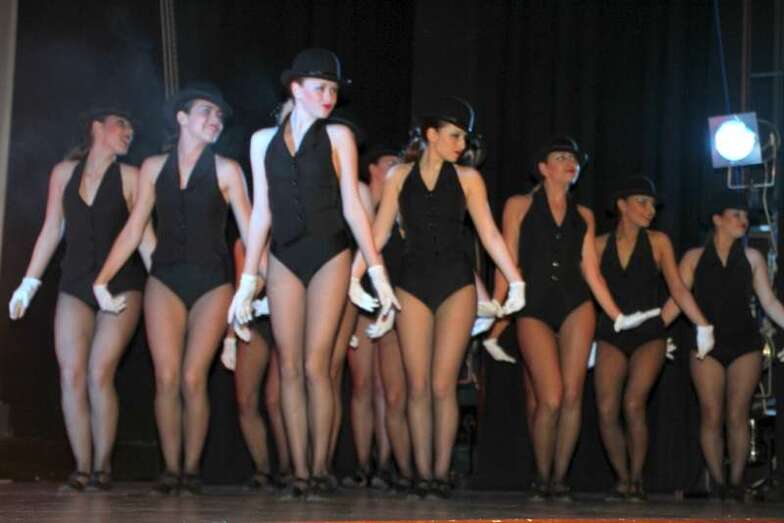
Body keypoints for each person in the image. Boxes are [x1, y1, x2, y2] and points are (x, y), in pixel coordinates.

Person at [227, 48, 398, 497]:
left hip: (329, 254)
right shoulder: (262, 141)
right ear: (296, 88)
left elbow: (353, 208)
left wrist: (377, 272)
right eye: (321, 88)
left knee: (315, 365)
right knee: (288, 368)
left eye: (334, 90)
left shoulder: (339, 135)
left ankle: (319, 468)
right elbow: (261, 212)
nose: (329, 97)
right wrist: (247, 282)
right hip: (284, 255)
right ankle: (299, 471)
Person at [354, 97, 525, 498]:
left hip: (455, 283)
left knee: (442, 385)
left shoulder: (469, 179)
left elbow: (489, 233)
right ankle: (421, 472)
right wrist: (355, 275)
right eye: (454, 136)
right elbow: (379, 233)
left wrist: (516, 281)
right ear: (431, 135)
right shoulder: (398, 175)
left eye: (464, 138)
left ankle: (439, 472)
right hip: (412, 283)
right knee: (417, 387)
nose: (461, 145)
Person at [92, 83, 252, 494]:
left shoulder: (227, 170)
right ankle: (170, 468)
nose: (215, 120)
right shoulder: (152, 167)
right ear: (182, 118)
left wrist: (253, 290)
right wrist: (102, 279)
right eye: (206, 112)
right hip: (164, 279)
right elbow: (134, 229)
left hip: (212, 283)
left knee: (193, 378)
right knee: (166, 378)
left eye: (219, 116)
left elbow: (253, 236)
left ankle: (190, 470)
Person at [494, 137, 659, 500]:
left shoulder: (583, 214)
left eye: (573, 158)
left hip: (576, 304)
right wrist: (495, 304)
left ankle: (559, 478)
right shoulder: (518, 206)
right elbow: (507, 259)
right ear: (543, 168)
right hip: (533, 305)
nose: (570, 162)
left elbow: (591, 272)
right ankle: (541, 475)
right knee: (550, 398)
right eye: (561, 157)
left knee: (572, 397)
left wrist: (617, 316)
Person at [8, 106, 152, 491]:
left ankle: (103, 467)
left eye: (132, 127)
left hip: (121, 284)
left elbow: (143, 237)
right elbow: (51, 229)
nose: (129, 132)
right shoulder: (63, 173)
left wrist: (167, 288)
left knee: (98, 372)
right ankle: (82, 467)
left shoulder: (131, 176)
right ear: (97, 127)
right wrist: (28, 284)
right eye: (122, 124)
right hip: (74, 282)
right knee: (71, 374)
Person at [594, 175, 713, 501]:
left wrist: (702, 325)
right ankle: (622, 478)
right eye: (642, 203)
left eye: (653, 205)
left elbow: (678, 288)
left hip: (650, 333)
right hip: (612, 331)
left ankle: (637, 479)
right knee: (606, 409)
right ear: (622, 205)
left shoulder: (659, 242)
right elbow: (587, 289)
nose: (650, 210)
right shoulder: (599, 244)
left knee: (634, 403)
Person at [661, 191, 784, 501]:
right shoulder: (693, 258)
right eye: (736, 215)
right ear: (717, 220)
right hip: (707, 345)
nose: (743, 221)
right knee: (711, 413)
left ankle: (737, 482)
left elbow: (769, 302)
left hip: (745, 343)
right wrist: (650, 332)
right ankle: (719, 483)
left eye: (745, 217)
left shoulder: (752, 258)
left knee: (738, 414)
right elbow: (677, 300)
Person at [221, 239, 291, 490]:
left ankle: (289, 467)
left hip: (288, 314)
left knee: (275, 399)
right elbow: (241, 286)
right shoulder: (244, 242)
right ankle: (262, 468)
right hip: (255, 316)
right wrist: (230, 337)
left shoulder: (288, 235)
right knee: (245, 399)